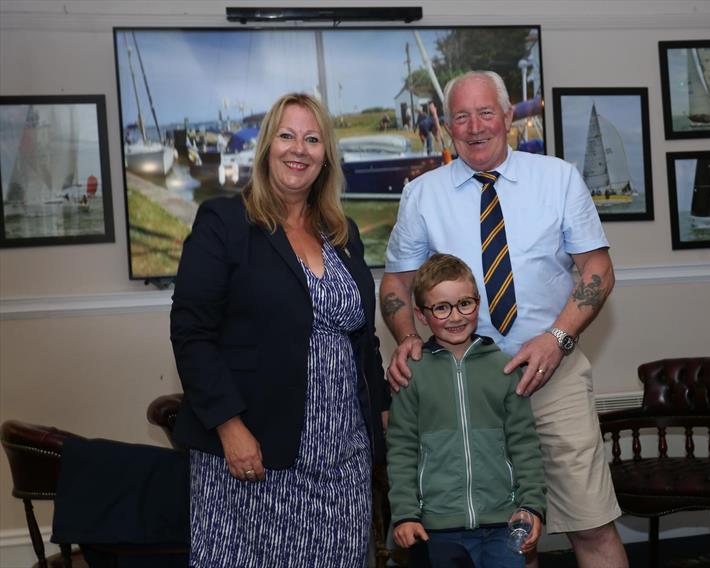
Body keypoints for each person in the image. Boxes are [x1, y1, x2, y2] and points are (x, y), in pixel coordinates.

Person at [379, 71, 628, 568]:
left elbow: (597, 268)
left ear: (509, 115)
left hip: (551, 378)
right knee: (511, 539)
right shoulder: (422, 194)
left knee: (592, 525)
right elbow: (395, 285)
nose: (475, 127)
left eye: (486, 112)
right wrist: (407, 336)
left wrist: (556, 339)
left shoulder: (557, 178)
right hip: (464, 391)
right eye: (462, 117)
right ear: (448, 126)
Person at [170, 92, 389, 567]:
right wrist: (230, 427)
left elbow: (363, 341)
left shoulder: (342, 232)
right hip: (255, 456)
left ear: (326, 155)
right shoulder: (225, 222)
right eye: (287, 136)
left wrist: (383, 417)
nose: (299, 149)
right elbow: (192, 333)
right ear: (267, 146)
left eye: (312, 139)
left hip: (342, 462)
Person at [387, 253, 545, 568]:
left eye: (465, 304)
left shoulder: (503, 367)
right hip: (438, 528)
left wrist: (532, 505)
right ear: (421, 315)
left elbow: (524, 443)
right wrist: (405, 514)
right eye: (441, 307)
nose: (456, 316)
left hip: (504, 523)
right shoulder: (412, 373)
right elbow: (402, 448)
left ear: (477, 303)